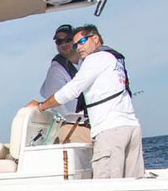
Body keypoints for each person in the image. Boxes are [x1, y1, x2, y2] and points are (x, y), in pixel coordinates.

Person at [28, 25, 144, 178]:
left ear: (95, 38)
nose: (78, 47)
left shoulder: (94, 59)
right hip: (131, 128)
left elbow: (71, 91)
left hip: (110, 130)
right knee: (132, 182)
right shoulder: (113, 58)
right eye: (76, 44)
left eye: (81, 41)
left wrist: (41, 106)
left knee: (106, 187)